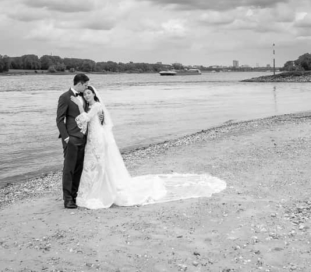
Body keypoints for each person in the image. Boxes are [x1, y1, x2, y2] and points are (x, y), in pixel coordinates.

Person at [70, 86, 226, 209]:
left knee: (99, 164)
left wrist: (78, 105)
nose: (86, 96)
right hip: (93, 139)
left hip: (97, 139)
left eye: (89, 93)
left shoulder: (96, 106)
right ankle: (95, 191)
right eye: (85, 94)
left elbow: (86, 118)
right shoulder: (93, 106)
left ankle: (102, 192)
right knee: (95, 165)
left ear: (94, 95)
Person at [56, 73, 90, 209]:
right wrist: (66, 138)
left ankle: (74, 196)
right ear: (80, 84)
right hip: (71, 138)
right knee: (69, 169)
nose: (88, 87)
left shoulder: (84, 97)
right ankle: (67, 199)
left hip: (83, 138)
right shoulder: (64, 97)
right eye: (86, 84)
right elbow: (59, 120)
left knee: (78, 168)